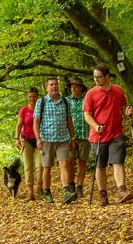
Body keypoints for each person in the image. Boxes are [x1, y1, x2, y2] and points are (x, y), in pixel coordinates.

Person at [82, 63, 133, 206]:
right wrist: (96, 126)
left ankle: (121, 190)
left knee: (118, 161)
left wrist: (127, 112)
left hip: (116, 132)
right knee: (100, 166)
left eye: (99, 77)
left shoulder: (118, 90)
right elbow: (87, 115)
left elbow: (123, 107)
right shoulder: (91, 94)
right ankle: (103, 194)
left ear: (107, 76)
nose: (96, 80)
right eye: (94, 77)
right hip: (97, 135)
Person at [33, 77, 77, 205]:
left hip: (63, 139)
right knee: (47, 167)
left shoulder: (65, 101)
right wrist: (38, 139)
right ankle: (47, 192)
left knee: (64, 164)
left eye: (56, 84)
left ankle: (66, 191)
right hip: (47, 139)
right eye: (51, 85)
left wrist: (72, 137)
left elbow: (69, 120)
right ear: (47, 88)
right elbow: (35, 122)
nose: (54, 87)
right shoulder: (41, 102)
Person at [15, 87, 43, 201]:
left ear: (38, 97)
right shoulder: (24, 110)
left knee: (39, 166)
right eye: (30, 96)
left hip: (40, 140)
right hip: (26, 141)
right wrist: (17, 138)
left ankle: (40, 188)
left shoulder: (42, 108)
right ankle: (30, 193)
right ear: (27, 97)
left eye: (34, 96)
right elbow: (19, 125)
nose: (32, 99)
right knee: (28, 167)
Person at [66, 78, 90, 198]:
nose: (73, 88)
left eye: (76, 86)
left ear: (81, 88)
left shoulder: (87, 100)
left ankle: (79, 186)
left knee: (82, 162)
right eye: (72, 86)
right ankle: (71, 185)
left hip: (85, 135)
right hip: (70, 137)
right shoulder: (65, 101)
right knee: (70, 161)